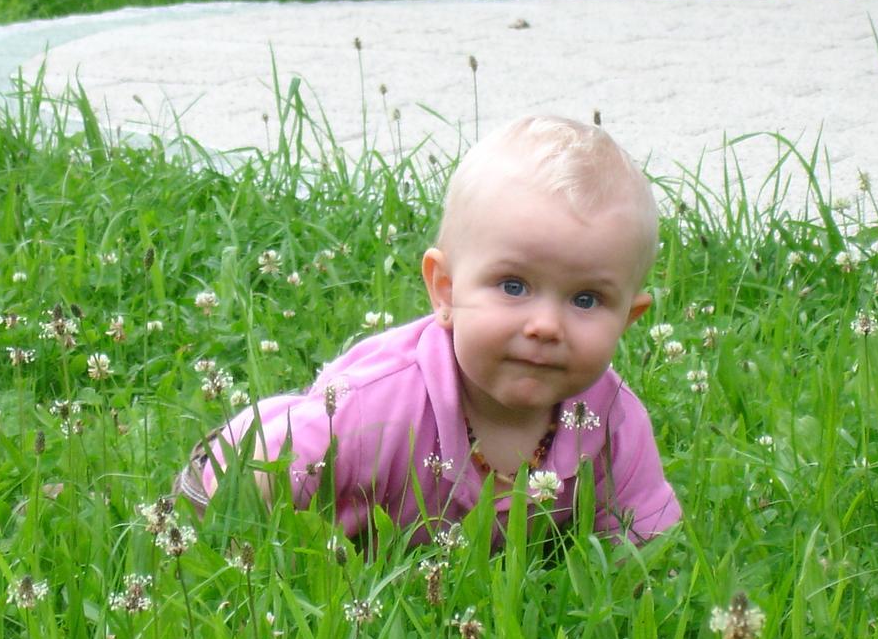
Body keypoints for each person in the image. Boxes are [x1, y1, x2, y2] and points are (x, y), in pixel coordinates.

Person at [175, 115, 680, 545]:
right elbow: (249, 490)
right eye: (513, 286)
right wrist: (224, 535)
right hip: (249, 458)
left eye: (586, 299)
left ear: (628, 319)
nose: (546, 325)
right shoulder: (377, 409)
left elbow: (644, 550)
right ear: (445, 290)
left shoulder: (611, 420)